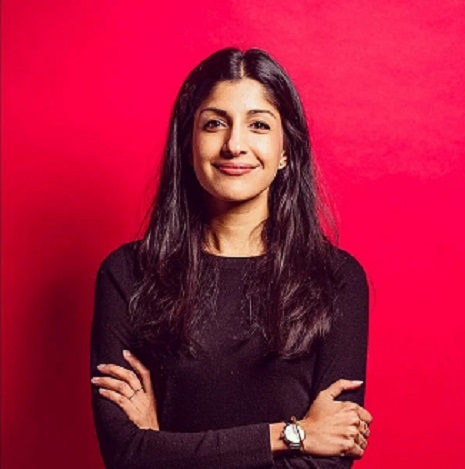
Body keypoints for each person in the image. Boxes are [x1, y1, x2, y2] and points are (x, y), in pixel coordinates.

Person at [90, 47, 373, 469]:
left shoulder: (336, 278)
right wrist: (291, 435)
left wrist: (162, 447)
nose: (234, 145)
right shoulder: (127, 275)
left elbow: (329, 461)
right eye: (214, 123)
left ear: (286, 150)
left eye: (258, 124)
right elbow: (126, 456)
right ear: (188, 143)